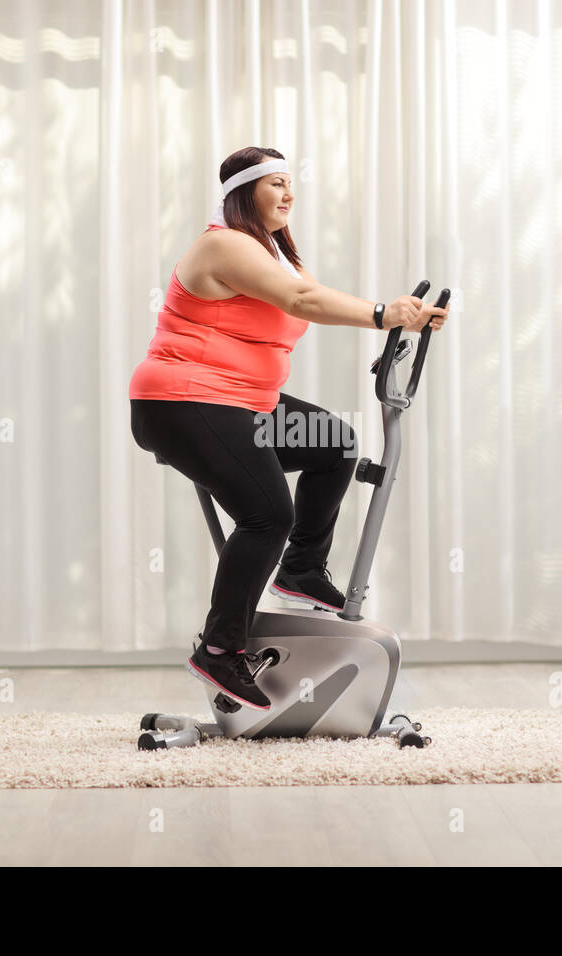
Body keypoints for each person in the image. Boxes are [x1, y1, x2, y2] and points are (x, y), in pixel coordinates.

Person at [128, 146, 449, 710]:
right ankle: (220, 649)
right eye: (274, 183)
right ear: (243, 192)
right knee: (268, 513)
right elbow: (303, 300)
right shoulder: (223, 244)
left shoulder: (277, 255)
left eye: (290, 183)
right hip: (183, 399)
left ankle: (300, 569)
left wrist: (408, 320)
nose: (287, 193)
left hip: (245, 401)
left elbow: (310, 297)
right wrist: (381, 313)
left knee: (335, 444)